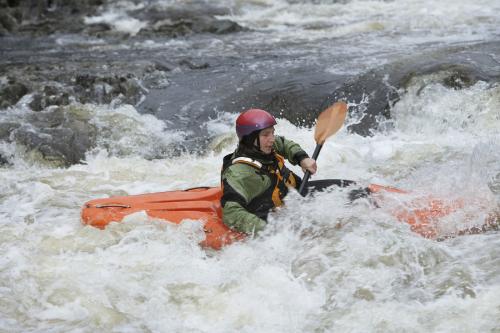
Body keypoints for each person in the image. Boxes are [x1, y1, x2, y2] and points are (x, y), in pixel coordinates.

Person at [220, 108, 357, 235]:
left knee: (354, 190)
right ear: (250, 139)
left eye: (272, 132)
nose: (272, 139)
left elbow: (284, 144)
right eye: (266, 134)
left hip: (295, 196)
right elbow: (231, 213)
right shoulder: (239, 173)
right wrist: (269, 230)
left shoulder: (264, 147)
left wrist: (302, 158)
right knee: (329, 228)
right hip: (274, 217)